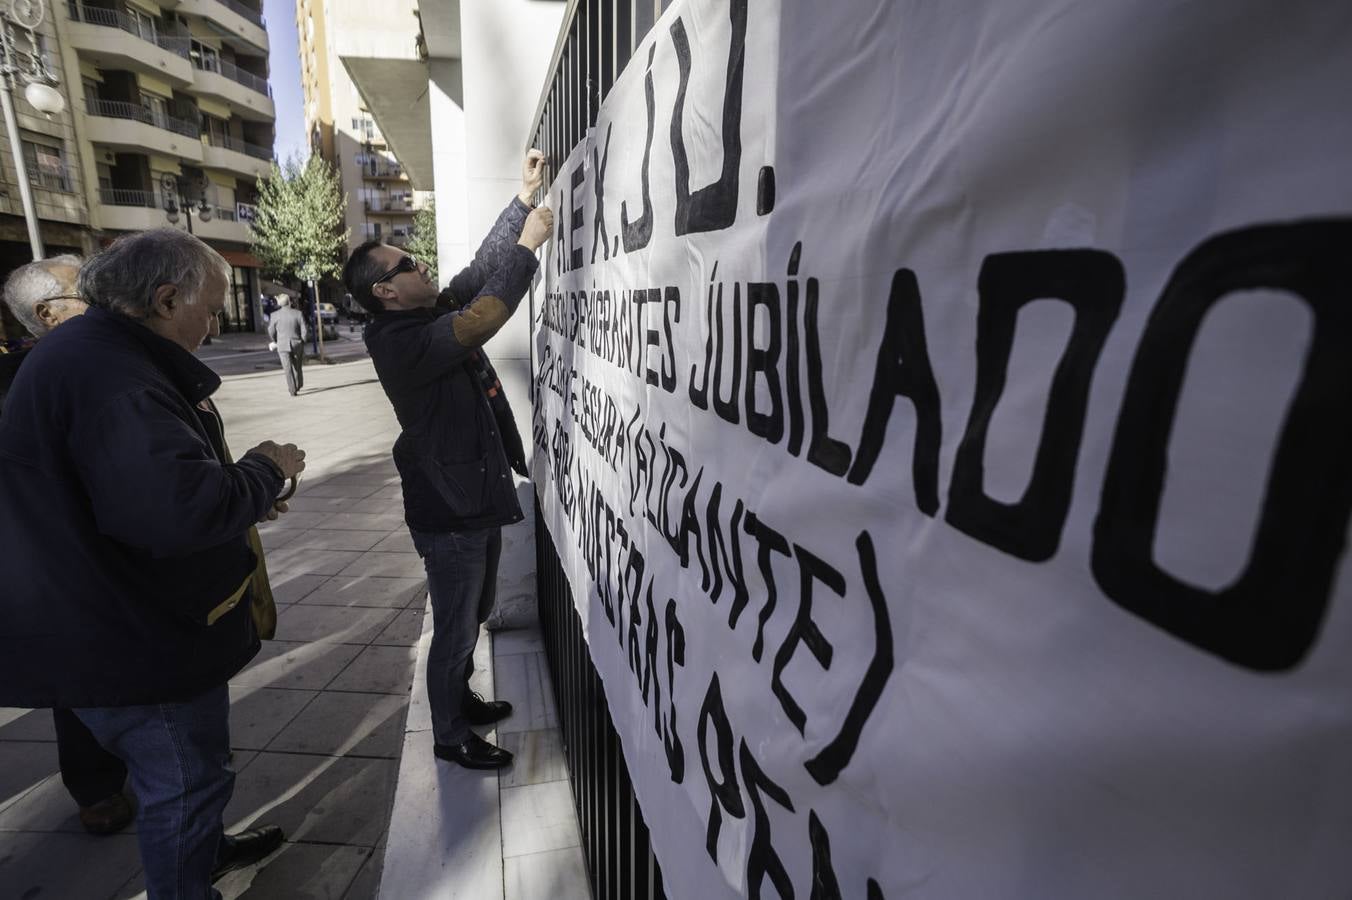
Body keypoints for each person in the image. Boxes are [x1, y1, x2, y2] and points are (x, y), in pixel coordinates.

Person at [0, 229, 306, 898]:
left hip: (119, 617)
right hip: (129, 635)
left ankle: (208, 853)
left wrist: (235, 502)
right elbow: (179, 511)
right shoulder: (112, 373)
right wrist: (263, 470)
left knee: (195, 773)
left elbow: (145, 493)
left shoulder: (99, 353)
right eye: (214, 307)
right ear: (168, 298)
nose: (218, 322)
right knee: (186, 785)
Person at [342, 149, 553, 770]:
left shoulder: (424, 313)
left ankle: (459, 702)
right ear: (384, 290)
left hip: (472, 496)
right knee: (457, 627)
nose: (422, 263)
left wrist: (521, 201)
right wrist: (531, 247)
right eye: (408, 264)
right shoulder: (398, 340)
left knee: (475, 612)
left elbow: (476, 275)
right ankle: (450, 734)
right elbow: (484, 315)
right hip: (449, 510)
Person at [1, 256, 134, 835]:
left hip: (111, 552)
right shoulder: (26, 380)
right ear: (48, 314)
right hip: (57, 563)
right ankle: (98, 788)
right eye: (88, 290)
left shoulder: (101, 359)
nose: (104, 296)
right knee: (77, 680)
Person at [267, 293, 307, 396]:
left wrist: (275, 340)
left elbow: (270, 330)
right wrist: (302, 341)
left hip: (282, 345)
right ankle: (298, 384)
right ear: (289, 302)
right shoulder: (298, 313)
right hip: (297, 343)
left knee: (287, 368)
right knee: (297, 366)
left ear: (279, 303)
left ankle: (292, 389)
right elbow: (304, 330)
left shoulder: (274, 315)